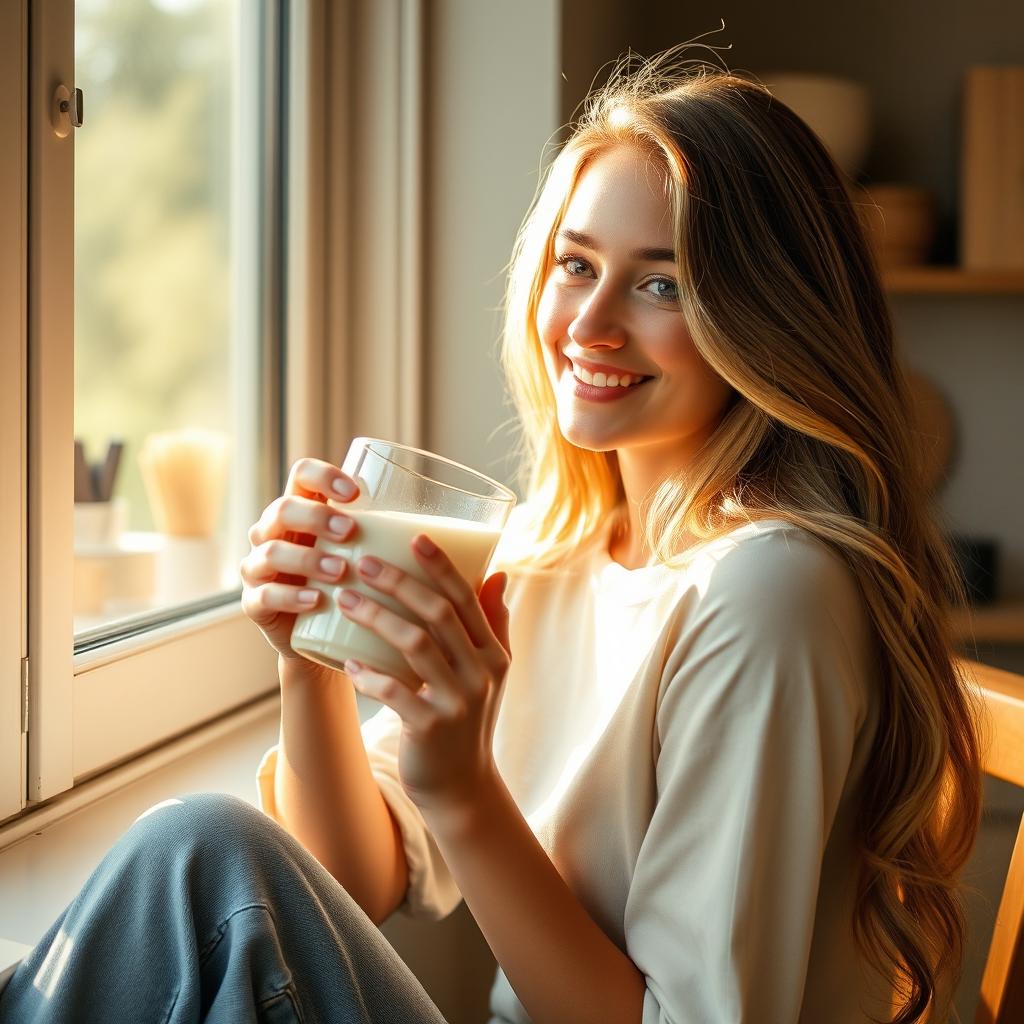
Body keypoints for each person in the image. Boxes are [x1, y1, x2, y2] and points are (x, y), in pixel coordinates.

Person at [0, 43, 983, 1024]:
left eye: (661, 283)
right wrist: (310, 662)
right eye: (576, 264)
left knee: (198, 854)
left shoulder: (767, 593)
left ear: (767, 317)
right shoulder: (554, 557)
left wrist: (466, 789)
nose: (588, 324)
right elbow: (352, 875)